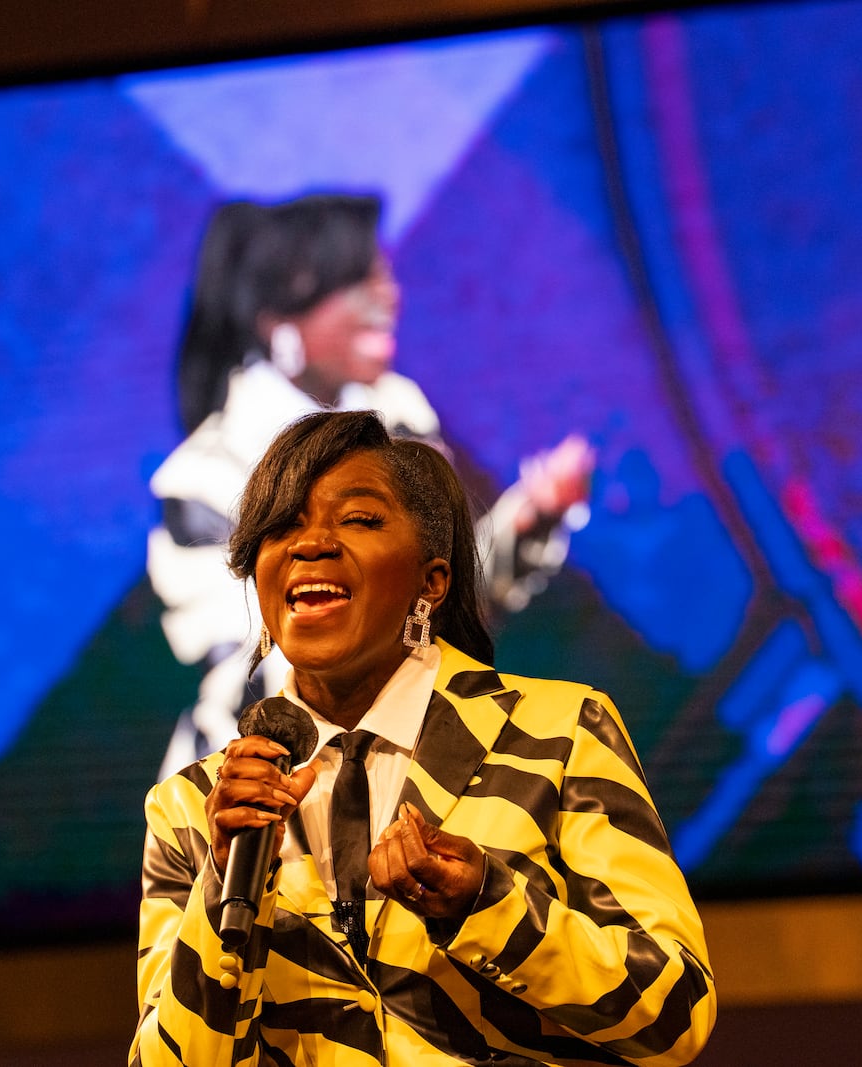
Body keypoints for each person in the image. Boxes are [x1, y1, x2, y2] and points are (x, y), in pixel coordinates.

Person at [132, 410, 716, 1066]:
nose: (309, 544)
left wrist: (485, 903)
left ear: (430, 580)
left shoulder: (559, 734)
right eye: (282, 524)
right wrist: (223, 885)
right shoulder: (194, 808)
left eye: (357, 519)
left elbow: (675, 1012)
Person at [149, 194, 594, 779]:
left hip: (407, 767)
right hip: (257, 792)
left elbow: (443, 598)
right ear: (284, 319)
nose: (388, 296)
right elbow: (251, 669)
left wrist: (529, 518)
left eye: (383, 275)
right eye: (358, 281)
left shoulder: (401, 414)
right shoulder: (202, 479)